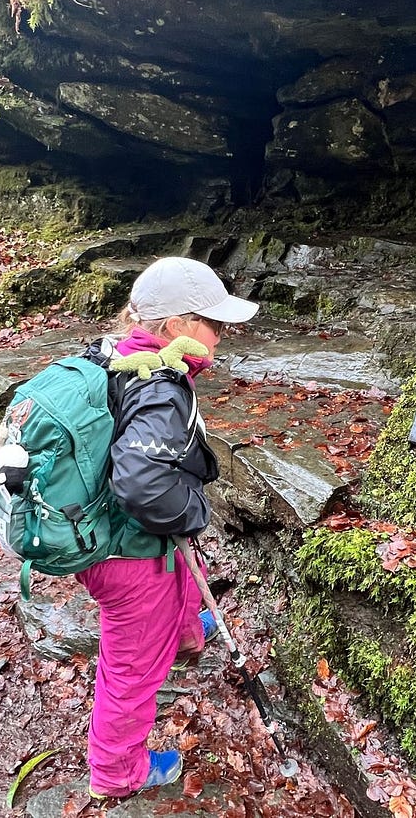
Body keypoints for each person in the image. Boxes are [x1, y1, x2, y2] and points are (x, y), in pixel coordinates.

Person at [79, 256, 258, 799]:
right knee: (130, 671)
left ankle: (184, 632)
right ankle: (116, 774)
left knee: (185, 564)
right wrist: (194, 512)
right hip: (126, 555)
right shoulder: (159, 388)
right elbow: (139, 485)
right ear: (178, 328)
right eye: (215, 323)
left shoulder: (119, 357)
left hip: (119, 534)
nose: (222, 335)